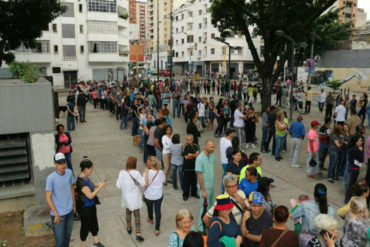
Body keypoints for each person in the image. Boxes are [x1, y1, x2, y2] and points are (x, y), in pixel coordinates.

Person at [45, 153, 76, 247]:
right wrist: (56, 214)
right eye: (59, 163)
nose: (62, 165)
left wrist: (74, 205)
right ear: (55, 164)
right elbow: (48, 197)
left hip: (70, 211)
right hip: (58, 215)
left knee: (67, 237)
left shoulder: (69, 172)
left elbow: (72, 188)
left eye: (63, 162)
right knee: (59, 240)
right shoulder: (51, 178)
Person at [75, 158, 106, 247]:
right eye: (91, 169)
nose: (92, 171)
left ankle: (96, 241)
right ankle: (83, 244)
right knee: (85, 225)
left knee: (94, 223)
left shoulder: (86, 177)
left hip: (91, 205)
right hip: (85, 207)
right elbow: (90, 195)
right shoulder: (81, 181)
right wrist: (101, 188)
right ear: (86, 169)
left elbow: (92, 186)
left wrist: (99, 184)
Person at [116, 156, 145, 242]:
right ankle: (138, 233)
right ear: (134, 164)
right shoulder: (136, 173)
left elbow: (118, 185)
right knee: (137, 215)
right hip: (134, 197)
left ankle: (129, 228)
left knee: (128, 212)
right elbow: (143, 184)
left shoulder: (122, 173)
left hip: (126, 197)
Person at [195, 140, 216, 232]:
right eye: (211, 147)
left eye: (214, 147)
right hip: (205, 187)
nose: (213, 149)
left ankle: (207, 222)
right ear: (206, 147)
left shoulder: (212, 155)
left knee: (211, 206)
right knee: (203, 207)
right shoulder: (200, 158)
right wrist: (203, 190)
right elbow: (199, 175)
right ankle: (200, 227)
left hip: (211, 185)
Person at [143, 156, 166, 236]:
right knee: (158, 211)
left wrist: (146, 174)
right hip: (158, 196)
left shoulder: (147, 172)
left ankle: (151, 218)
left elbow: (144, 184)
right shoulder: (161, 172)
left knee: (149, 208)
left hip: (149, 196)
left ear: (149, 164)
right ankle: (157, 229)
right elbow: (163, 181)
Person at [345, 135, 365, 203]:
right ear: (356, 142)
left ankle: (348, 199)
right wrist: (361, 151)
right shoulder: (355, 150)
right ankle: (347, 199)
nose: (361, 142)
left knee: (351, 184)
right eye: (360, 141)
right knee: (351, 185)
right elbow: (362, 159)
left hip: (352, 168)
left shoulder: (353, 148)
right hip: (354, 169)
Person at [182, 134, 200, 201]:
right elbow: (186, 157)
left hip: (195, 167)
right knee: (186, 182)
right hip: (186, 168)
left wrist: (191, 155)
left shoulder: (196, 146)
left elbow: (198, 155)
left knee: (194, 181)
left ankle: (194, 193)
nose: (188, 141)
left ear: (192, 140)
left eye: (190, 139)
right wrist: (195, 155)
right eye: (187, 140)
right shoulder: (185, 146)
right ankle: (185, 194)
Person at [220, 128, 235, 193]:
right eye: (233, 132)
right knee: (227, 178)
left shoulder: (222, 139)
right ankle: (224, 191)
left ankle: (223, 190)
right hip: (227, 162)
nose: (234, 134)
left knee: (224, 175)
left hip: (222, 161)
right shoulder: (229, 143)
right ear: (230, 134)